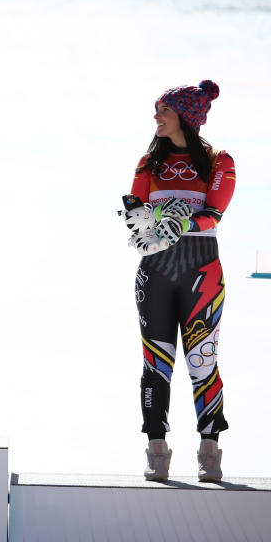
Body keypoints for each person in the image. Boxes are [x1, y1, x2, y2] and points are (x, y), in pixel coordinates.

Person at [121, 80, 234, 482]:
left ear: (185, 116)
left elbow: (214, 215)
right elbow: (136, 211)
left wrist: (180, 221)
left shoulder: (219, 161)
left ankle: (210, 447)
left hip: (202, 271)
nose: (156, 117)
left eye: (163, 111)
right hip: (156, 273)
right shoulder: (147, 163)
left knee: (202, 362)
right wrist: (140, 228)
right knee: (156, 362)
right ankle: (156, 447)